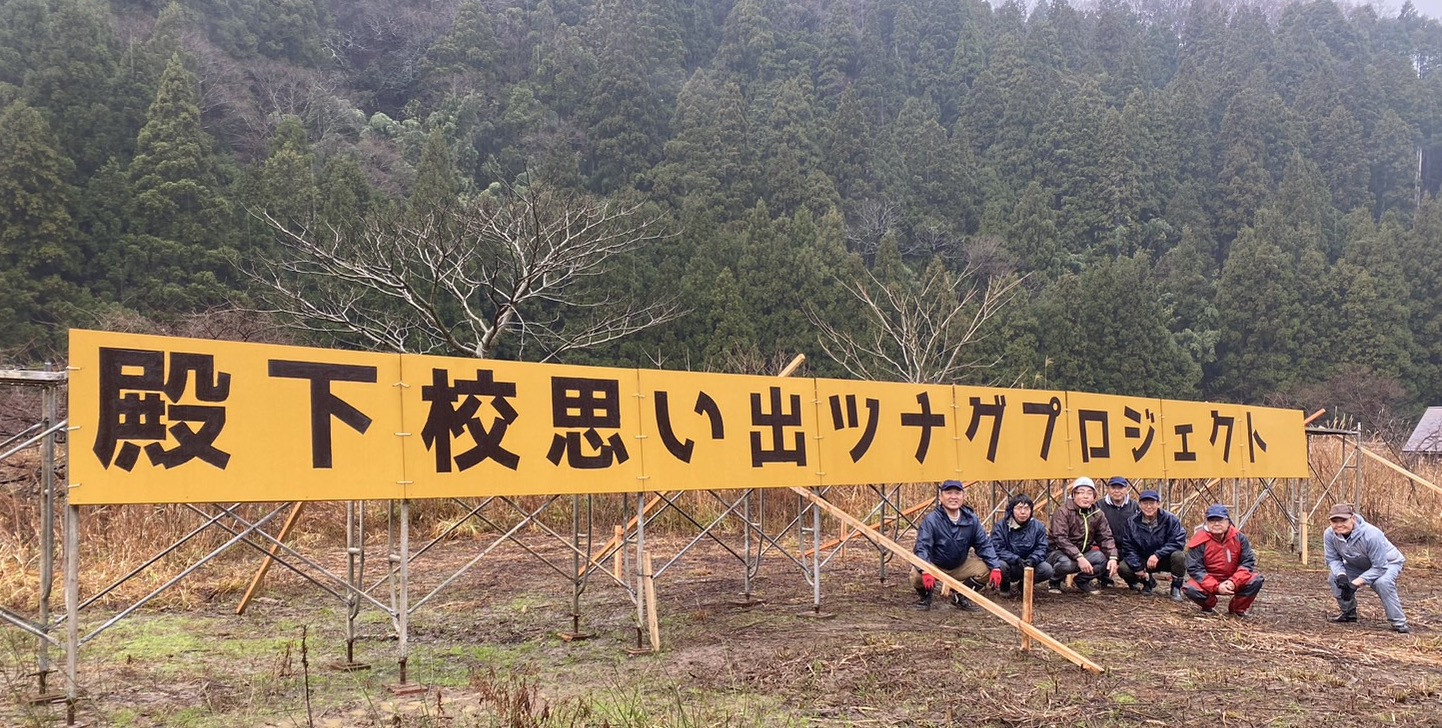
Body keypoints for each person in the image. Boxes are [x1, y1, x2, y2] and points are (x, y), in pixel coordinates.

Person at [911, 480, 1004, 611]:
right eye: (949, 493)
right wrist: (926, 570)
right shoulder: (931, 520)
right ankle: (926, 598)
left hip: (960, 565)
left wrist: (995, 567)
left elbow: (984, 545)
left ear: (963, 496)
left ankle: (961, 597)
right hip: (936, 565)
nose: (953, 497)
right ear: (941, 496)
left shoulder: (971, 519)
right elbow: (922, 547)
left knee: (986, 570)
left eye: (957, 493)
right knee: (916, 575)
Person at [1324, 503, 1409, 634]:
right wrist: (1341, 575)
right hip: (1357, 564)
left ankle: (1398, 622)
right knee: (1334, 578)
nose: (1339, 524)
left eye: (1343, 520)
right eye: (1335, 521)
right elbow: (1333, 559)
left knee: (1382, 583)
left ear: (1352, 518)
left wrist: (1355, 584)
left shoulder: (1372, 534)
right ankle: (1348, 613)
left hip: (1388, 563)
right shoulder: (1329, 534)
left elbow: (1380, 567)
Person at [1182, 505, 1264, 617]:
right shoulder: (1198, 541)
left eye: (1220, 520)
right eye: (1212, 520)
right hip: (1208, 581)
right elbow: (1194, 569)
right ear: (1206, 523)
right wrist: (1216, 586)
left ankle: (1237, 610)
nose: (1216, 524)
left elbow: (1247, 563)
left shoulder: (1240, 538)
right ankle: (1208, 605)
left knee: (1256, 580)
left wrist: (1233, 582)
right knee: (1190, 588)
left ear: (1228, 522)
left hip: (1234, 579)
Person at [1046, 477, 1119, 594]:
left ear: (1094, 497)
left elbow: (1106, 537)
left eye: (1089, 493)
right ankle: (1054, 581)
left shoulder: (1097, 514)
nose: (1085, 496)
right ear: (1074, 495)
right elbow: (1060, 538)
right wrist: (1079, 557)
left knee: (1103, 559)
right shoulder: (1063, 512)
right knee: (1067, 564)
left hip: (1084, 551)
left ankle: (1082, 581)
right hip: (1058, 552)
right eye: (1081, 492)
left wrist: (1113, 557)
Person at [1119, 490, 1187, 600]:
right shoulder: (1131, 522)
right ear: (1140, 505)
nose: (1148, 507)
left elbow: (1178, 542)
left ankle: (1176, 587)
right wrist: (1138, 568)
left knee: (1179, 556)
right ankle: (1147, 583)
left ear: (1158, 504)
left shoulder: (1171, 519)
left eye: (1152, 503)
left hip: (1164, 558)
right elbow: (1128, 547)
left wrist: (1158, 555)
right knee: (1123, 567)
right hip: (1144, 559)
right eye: (1145, 503)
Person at [989, 494, 1053, 595]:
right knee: (1000, 565)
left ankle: (1024, 584)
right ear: (1011, 510)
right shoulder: (1001, 526)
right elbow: (997, 548)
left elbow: (1042, 547)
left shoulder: (1038, 526)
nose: (1023, 512)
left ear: (1031, 511)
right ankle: (1004, 585)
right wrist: (1016, 559)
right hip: (1010, 564)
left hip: (1030, 564)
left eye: (1026, 509)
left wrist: (1032, 559)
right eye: (1019, 508)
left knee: (1047, 569)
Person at [1098, 476, 1139, 587]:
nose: (1117, 491)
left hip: (1128, 547)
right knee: (1098, 558)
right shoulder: (1099, 506)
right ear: (1108, 489)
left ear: (1126, 489)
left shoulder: (1134, 506)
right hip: (1106, 546)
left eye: (1120, 488)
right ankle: (1105, 579)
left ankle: (1133, 581)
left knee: (1127, 566)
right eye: (1113, 487)